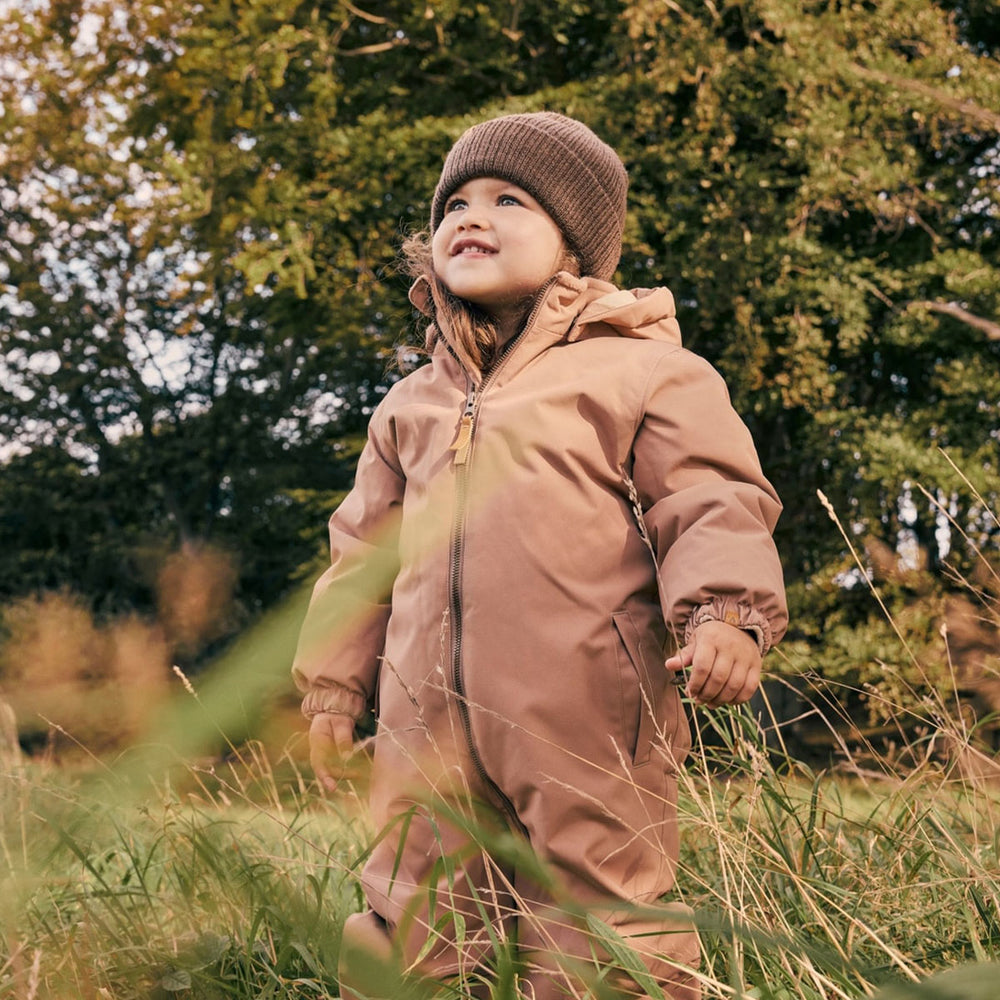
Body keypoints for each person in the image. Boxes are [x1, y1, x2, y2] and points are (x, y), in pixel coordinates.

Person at [292, 111, 787, 1000]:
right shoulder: (410, 403)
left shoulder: (643, 372)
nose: (470, 217)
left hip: (587, 711)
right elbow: (360, 553)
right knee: (413, 909)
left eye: (508, 198)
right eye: (456, 204)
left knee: (599, 912)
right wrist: (333, 682)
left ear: (574, 247)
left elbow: (710, 498)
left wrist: (726, 612)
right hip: (423, 726)